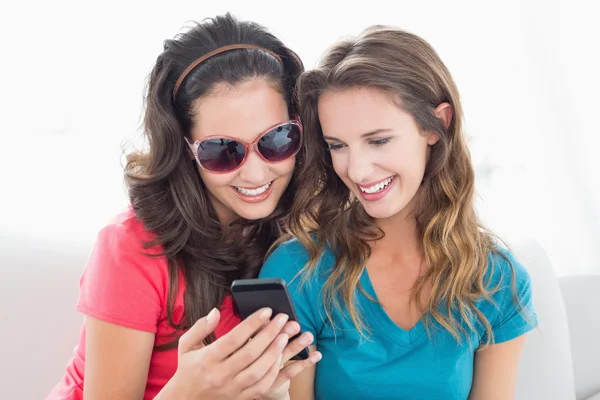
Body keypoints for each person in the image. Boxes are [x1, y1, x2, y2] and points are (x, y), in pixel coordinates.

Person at [47, 13, 321, 400]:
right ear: (186, 150)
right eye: (223, 151)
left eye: (277, 139)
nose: (256, 173)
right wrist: (186, 392)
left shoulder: (303, 230)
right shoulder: (131, 248)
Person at [260, 24, 538, 399]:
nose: (356, 170)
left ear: (437, 125)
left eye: (378, 140)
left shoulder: (497, 280)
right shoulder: (297, 271)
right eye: (338, 145)